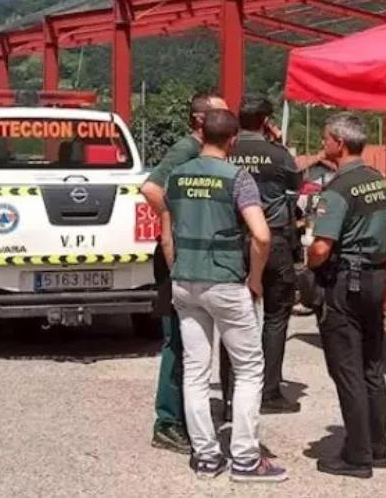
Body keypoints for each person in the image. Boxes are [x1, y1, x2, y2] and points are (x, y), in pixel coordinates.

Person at [162, 108, 288, 482]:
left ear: (201, 136)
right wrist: (255, 278)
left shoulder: (176, 177)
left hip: (185, 281)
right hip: (226, 281)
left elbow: (167, 237)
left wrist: (176, 271)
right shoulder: (238, 178)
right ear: (232, 141)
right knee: (249, 369)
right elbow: (262, 236)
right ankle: (246, 459)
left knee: (195, 372)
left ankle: (205, 456)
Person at [306, 112, 386, 479]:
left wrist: (309, 264)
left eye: (326, 138)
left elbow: (322, 248)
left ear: (339, 142)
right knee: (372, 365)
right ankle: (377, 447)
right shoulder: (379, 181)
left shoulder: (337, 189)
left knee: (347, 369)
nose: (323, 144)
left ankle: (356, 456)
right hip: (376, 278)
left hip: (345, 282)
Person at [140, 91, 228, 454]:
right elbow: (150, 187)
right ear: (200, 119)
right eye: (222, 114)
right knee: (178, 341)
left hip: (195, 256)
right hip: (178, 256)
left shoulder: (208, 153)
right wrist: (175, 218)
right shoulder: (185, 150)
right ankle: (168, 422)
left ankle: (184, 418)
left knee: (194, 342)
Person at [223, 93, 303, 416]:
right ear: (267, 122)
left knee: (232, 318)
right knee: (275, 316)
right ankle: (269, 391)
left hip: (233, 240)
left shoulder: (227, 151)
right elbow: (297, 184)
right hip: (274, 240)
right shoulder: (278, 154)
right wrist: (279, 144)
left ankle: (230, 395)